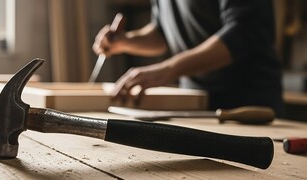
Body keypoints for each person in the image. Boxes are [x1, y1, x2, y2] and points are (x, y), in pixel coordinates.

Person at [93, 0, 284, 116]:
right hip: (195, 102)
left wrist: (168, 70)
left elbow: (245, 31)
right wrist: (126, 41)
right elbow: (162, 32)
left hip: (246, 103)